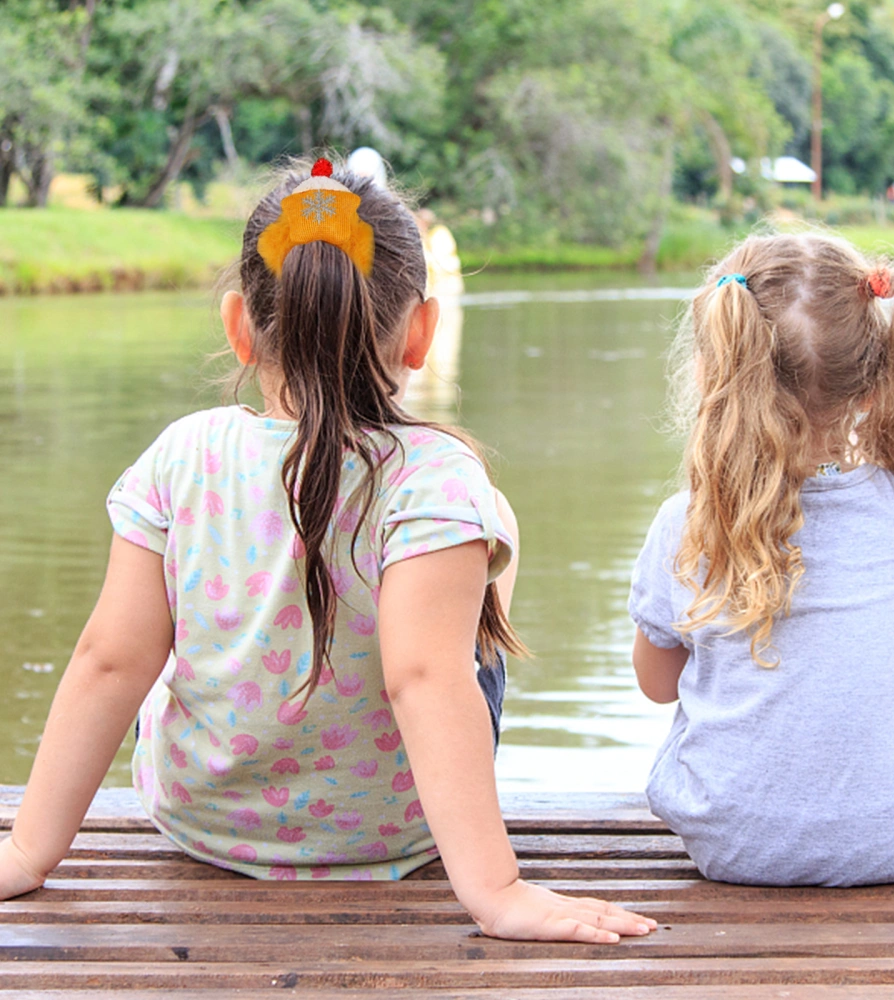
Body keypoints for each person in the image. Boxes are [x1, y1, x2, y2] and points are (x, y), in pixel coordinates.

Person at [0, 157, 656, 943]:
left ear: (240, 328)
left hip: (204, 822)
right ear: (421, 333)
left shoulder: (183, 456)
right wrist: (498, 892)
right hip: (391, 833)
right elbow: (424, 678)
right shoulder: (435, 478)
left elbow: (111, 660)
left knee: (166, 640)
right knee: (485, 529)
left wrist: (29, 852)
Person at [629, 231, 894, 887]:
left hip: (732, 848)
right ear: (872, 381)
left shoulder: (686, 523)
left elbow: (658, 685)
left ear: (718, 371)